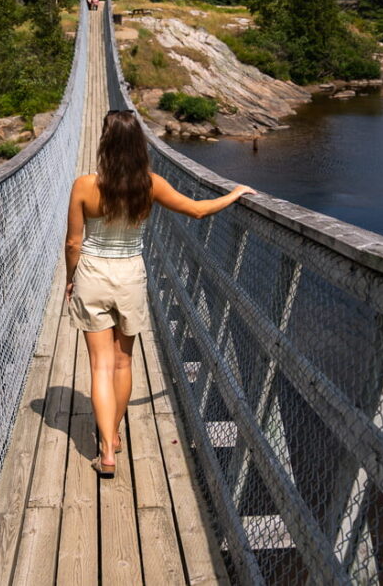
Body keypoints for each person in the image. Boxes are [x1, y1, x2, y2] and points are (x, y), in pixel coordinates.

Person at [64, 110, 255, 477]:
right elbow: (198, 211)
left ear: (104, 143)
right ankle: (115, 433)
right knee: (123, 363)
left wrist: (72, 279)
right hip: (130, 276)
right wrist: (233, 194)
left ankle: (105, 450)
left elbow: (74, 242)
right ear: (139, 145)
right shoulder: (150, 184)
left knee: (100, 367)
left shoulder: (84, 185)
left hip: (92, 275)